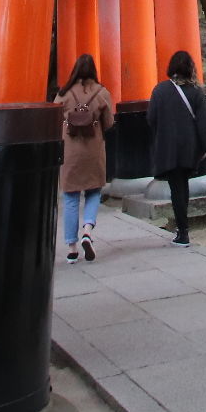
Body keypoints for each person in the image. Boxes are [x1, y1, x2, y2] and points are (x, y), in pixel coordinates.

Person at [147, 49, 206, 247]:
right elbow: (203, 123)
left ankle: (183, 231)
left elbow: (151, 119)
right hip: (189, 147)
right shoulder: (196, 92)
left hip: (168, 148)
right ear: (190, 68)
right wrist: (205, 147)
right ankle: (183, 228)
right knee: (182, 185)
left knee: (176, 188)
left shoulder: (159, 90)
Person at [58, 54, 115, 263]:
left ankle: (72, 248)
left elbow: (54, 118)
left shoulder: (64, 94)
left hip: (71, 152)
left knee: (71, 197)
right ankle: (88, 230)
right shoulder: (102, 93)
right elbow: (109, 123)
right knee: (94, 191)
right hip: (93, 151)